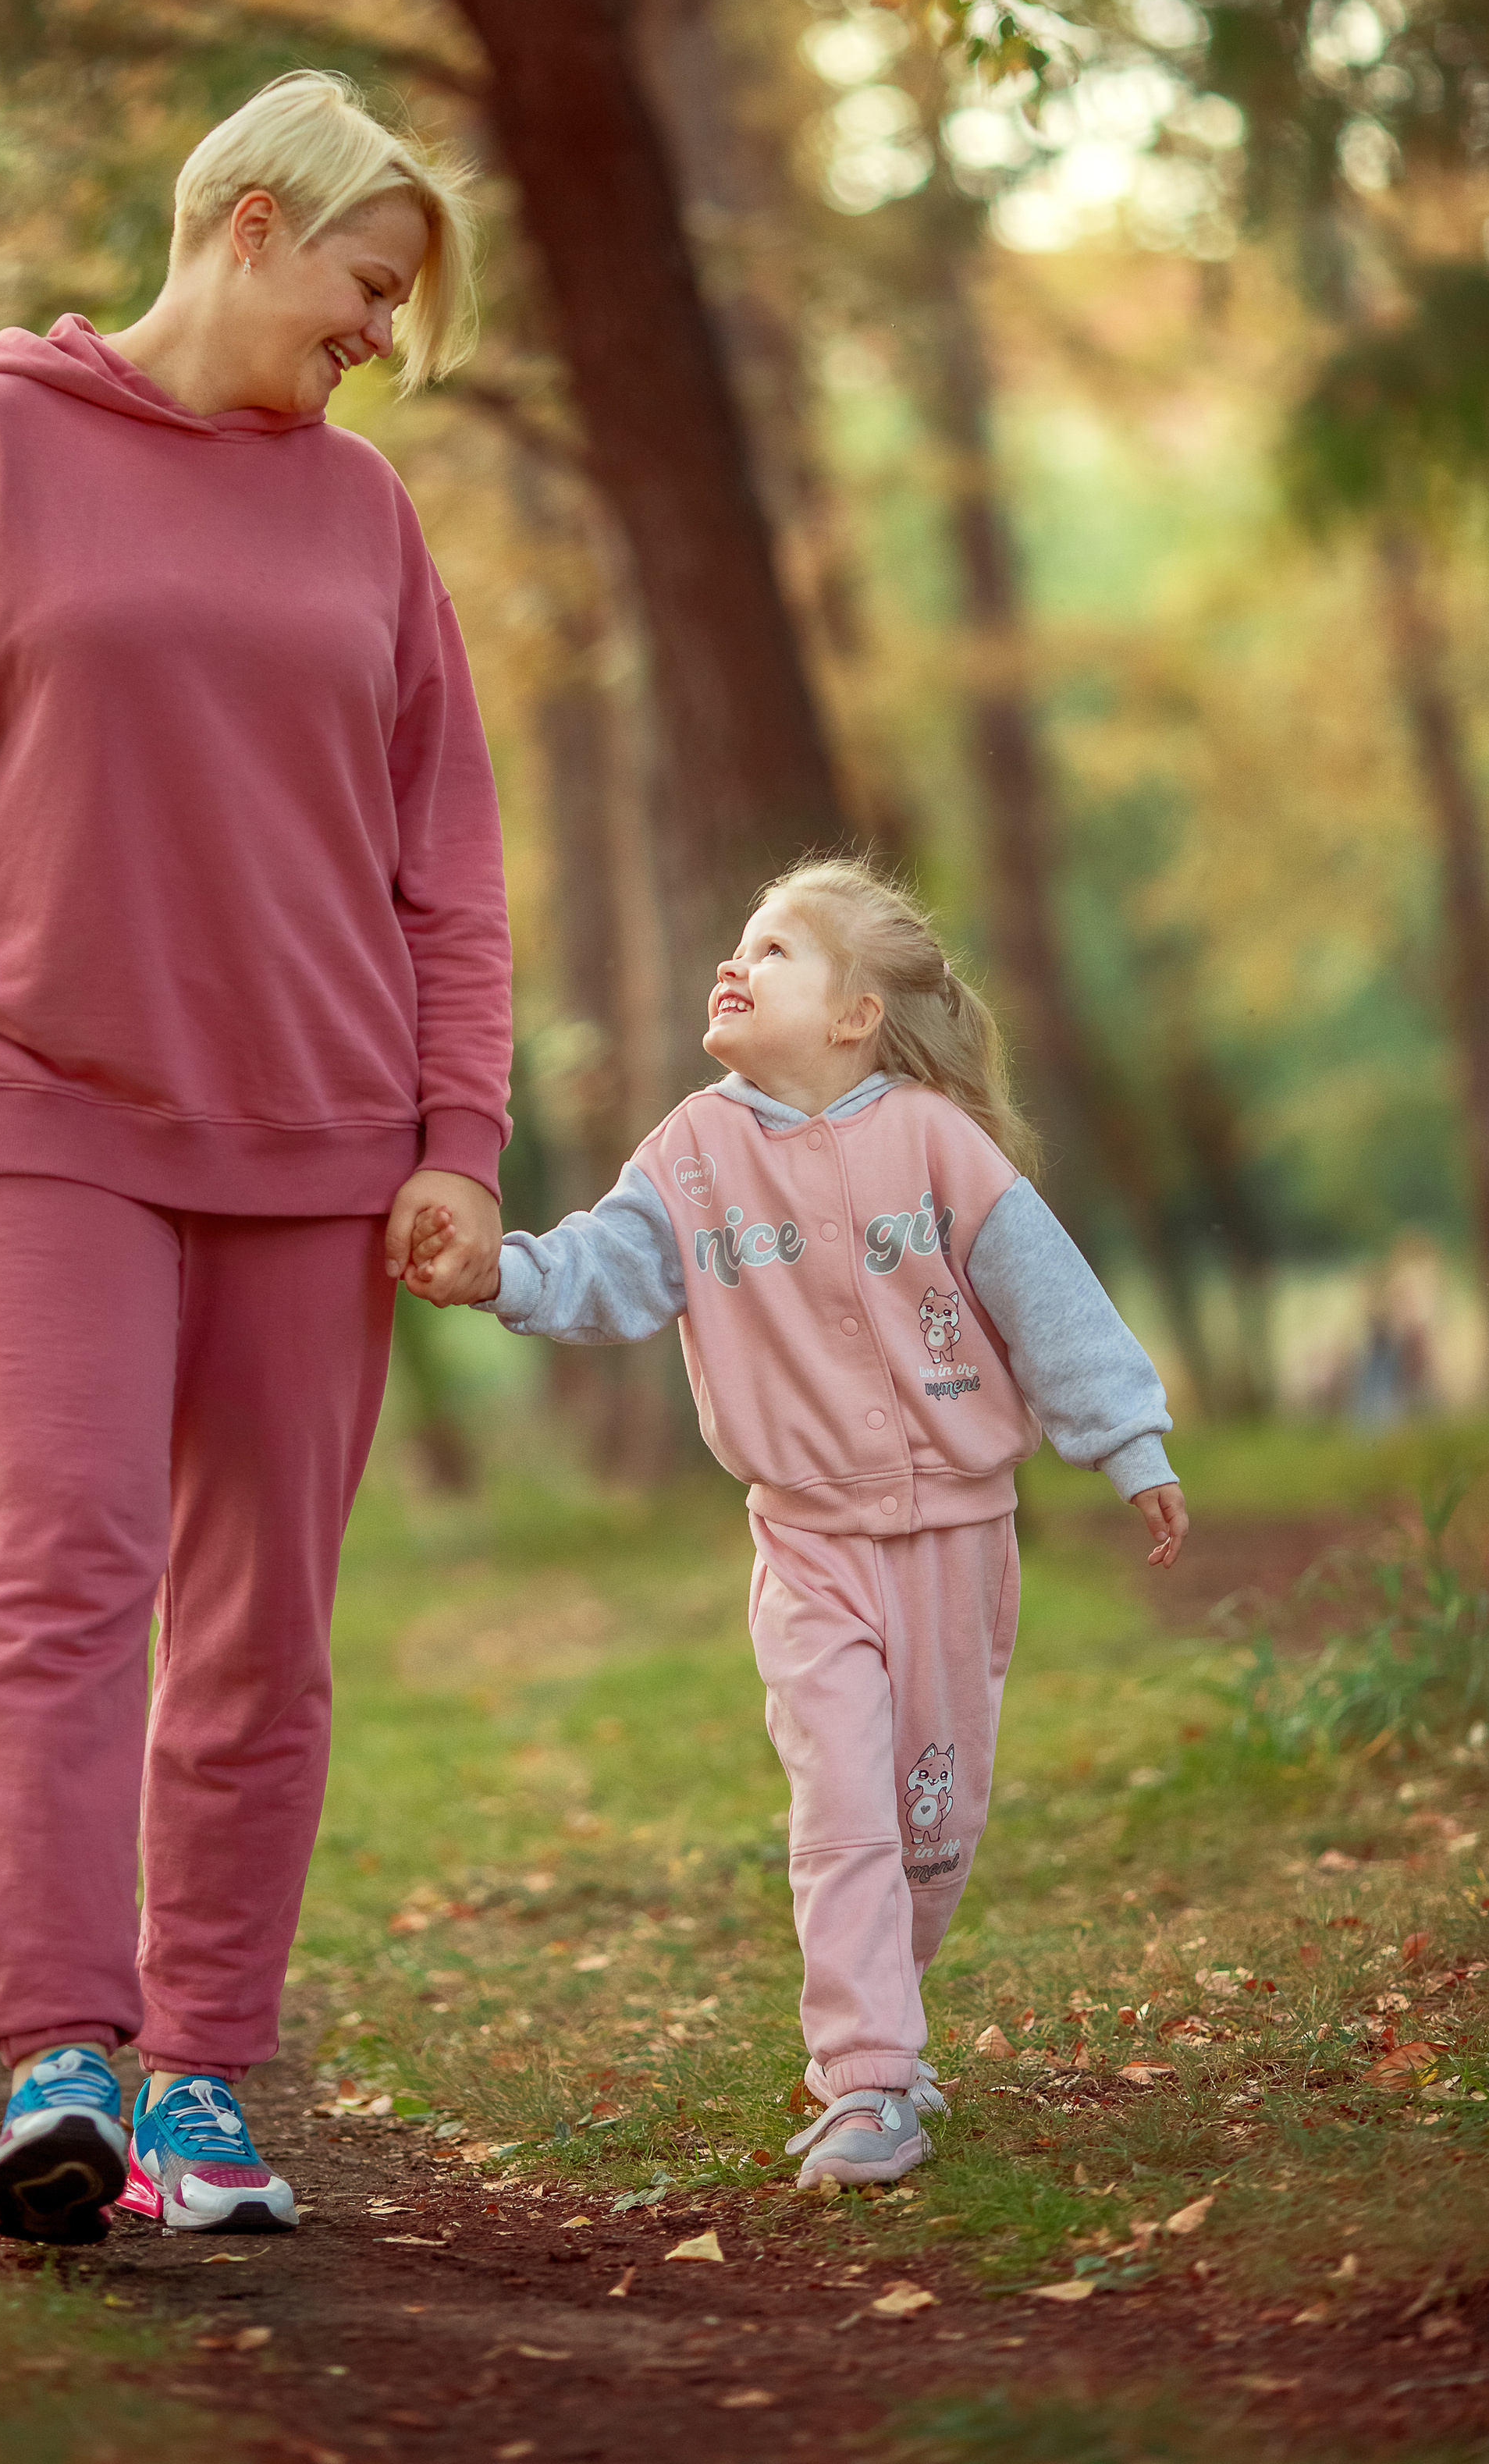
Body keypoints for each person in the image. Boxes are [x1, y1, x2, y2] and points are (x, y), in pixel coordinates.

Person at [0, 73, 512, 2244]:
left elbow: (447, 868)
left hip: (320, 1135)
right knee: (67, 1562)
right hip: (33, 1104)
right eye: (367, 286)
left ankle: (200, 2081)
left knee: (262, 1629)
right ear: (255, 222)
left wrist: (460, 1138)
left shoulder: (365, 512)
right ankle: (60, 2059)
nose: (376, 335)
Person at [404, 858, 1186, 2189]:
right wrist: (504, 1276)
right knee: (842, 1803)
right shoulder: (692, 1154)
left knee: (931, 1822)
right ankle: (867, 2075)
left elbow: (1047, 1296)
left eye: (775, 949)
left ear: (855, 1015)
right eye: (739, 941)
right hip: (809, 1544)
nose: (737, 962)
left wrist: (1128, 1441)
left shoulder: (937, 1143)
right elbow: (607, 1266)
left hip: (958, 1540)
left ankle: (894, 2013)